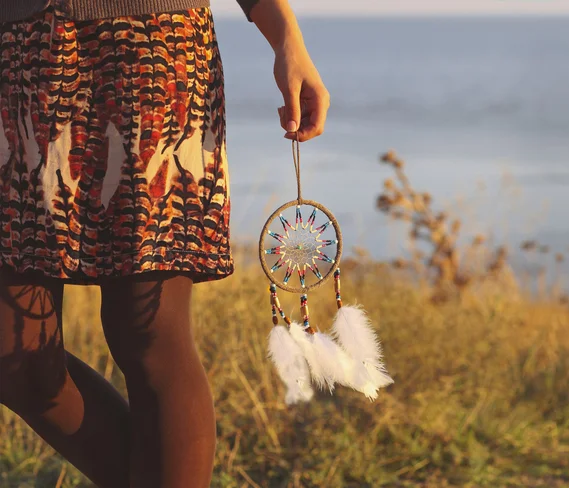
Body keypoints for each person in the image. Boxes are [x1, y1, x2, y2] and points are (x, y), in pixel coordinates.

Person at [0, 0, 330, 486]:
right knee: (13, 347)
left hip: (150, 51)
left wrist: (287, 39)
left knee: (146, 329)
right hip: (24, 58)